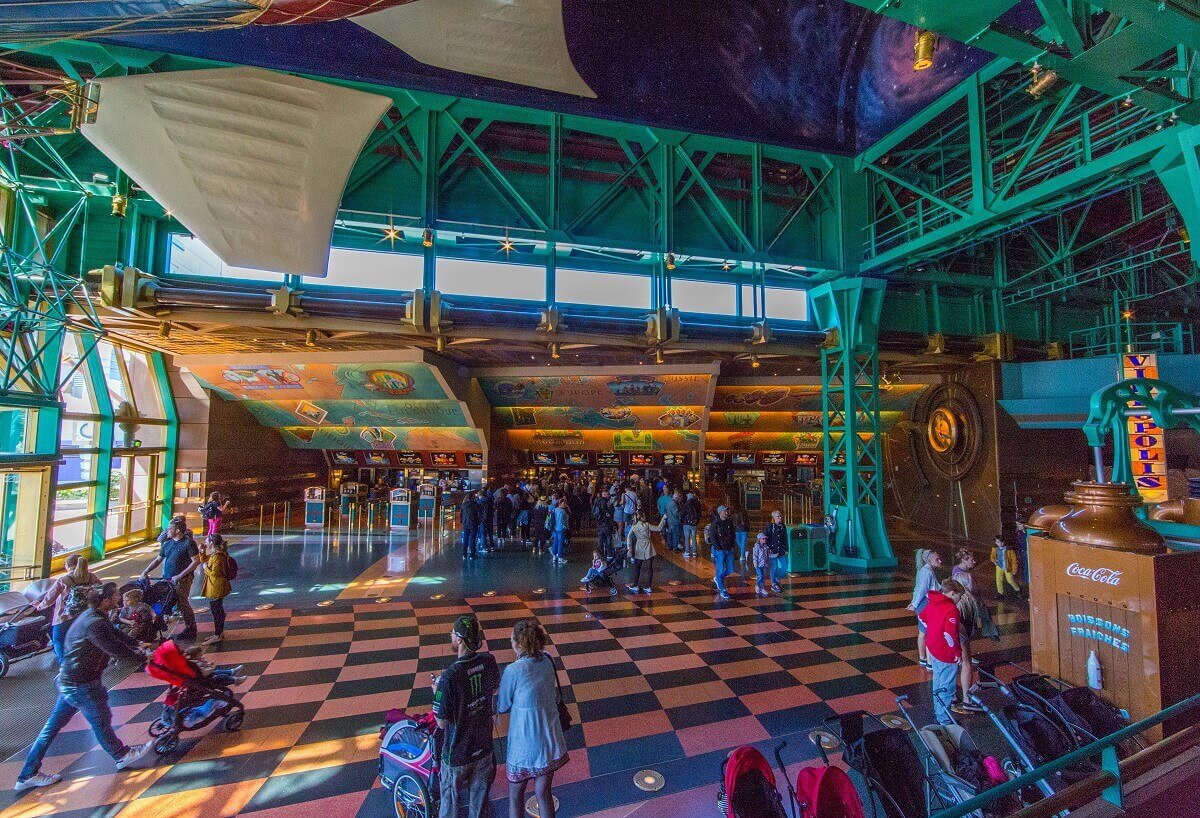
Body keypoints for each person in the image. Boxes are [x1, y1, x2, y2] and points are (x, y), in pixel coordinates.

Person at [15, 583, 153, 791]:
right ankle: (121, 754)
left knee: (51, 729)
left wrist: (137, 644)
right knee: (100, 719)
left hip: (70, 682)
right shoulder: (94, 623)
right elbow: (114, 648)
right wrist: (141, 656)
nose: (119, 597)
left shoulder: (94, 617)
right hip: (81, 684)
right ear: (105, 600)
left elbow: (115, 636)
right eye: (116, 595)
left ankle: (27, 774)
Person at [498, 618, 569, 818]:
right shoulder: (548, 659)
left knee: (515, 797)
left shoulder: (513, 670)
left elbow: (503, 705)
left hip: (523, 745)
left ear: (519, 645)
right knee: (544, 793)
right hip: (549, 741)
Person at [431, 615, 500, 818]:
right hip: (484, 748)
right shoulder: (489, 661)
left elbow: (441, 723)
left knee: (449, 807)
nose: (451, 635)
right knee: (478, 809)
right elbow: (493, 688)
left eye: (453, 632)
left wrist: (438, 692)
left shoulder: (449, 676)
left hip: (457, 753)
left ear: (459, 639)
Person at [140, 519, 202, 641]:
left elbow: (196, 561)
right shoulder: (167, 544)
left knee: (182, 602)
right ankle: (156, 624)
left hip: (182, 580)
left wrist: (180, 575)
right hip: (167, 578)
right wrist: (145, 571)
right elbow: (158, 560)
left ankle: (191, 628)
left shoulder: (189, 543)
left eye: (170, 529)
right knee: (160, 602)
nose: (167, 531)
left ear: (177, 530)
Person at [34, 554, 101, 662]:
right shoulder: (91, 577)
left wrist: (38, 606)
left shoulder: (64, 580)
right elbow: (99, 589)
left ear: (68, 565)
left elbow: (50, 599)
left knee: (58, 640)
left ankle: (64, 667)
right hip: (85, 614)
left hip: (65, 616)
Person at [918, 578, 967, 726]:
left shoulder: (932, 601)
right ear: (952, 593)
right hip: (945, 651)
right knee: (947, 686)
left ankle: (938, 712)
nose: (960, 599)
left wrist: (933, 630)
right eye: (959, 596)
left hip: (933, 647)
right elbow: (950, 634)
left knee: (938, 681)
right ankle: (944, 720)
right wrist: (957, 653)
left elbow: (922, 617)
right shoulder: (951, 609)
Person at [906, 548, 942, 669]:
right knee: (927, 632)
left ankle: (923, 658)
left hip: (923, 603)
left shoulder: (926, 570)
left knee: (923, 632)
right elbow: (923, 590)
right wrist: (914, 605)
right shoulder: (927, 572)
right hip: (925, 603)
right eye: (937, 559)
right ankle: (928, 661)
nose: (940, 561)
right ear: (929, 560)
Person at [199, 534, 233, 646]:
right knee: (217, 610)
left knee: (216, 612)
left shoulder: (218, 556)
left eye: (206, 541)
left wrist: (205, 568)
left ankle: (217, 635)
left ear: (212, 543)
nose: (205, 543)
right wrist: (202, 551)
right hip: (214, 585)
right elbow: (203, 559)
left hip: (216, 587)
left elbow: (215, 573)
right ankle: (218, 633)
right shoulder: (215, 555)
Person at [625, 511, 664, 595]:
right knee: (649, 567)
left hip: (639, 546)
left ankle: (635, 585)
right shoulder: (647, 525)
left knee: (637, 567)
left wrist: (629, 547)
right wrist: (663, 518)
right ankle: (648, 587)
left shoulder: (634, 526)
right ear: (642, 517)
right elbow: (659, 528)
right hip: (649, 546)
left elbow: (629, 537)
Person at [710, 505, 737, 600]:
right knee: (720, 568)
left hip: (729, 549)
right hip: (720, 550)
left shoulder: (729, 522)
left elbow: (733, 534)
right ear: (720, 512)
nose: (726, 512)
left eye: (727, 511)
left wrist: (733, 545)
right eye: (725, 511)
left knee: (730, 569)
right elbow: (713, 537)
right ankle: (722, 589)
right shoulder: (715, 523)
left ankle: (718, 578)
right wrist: (718, 547)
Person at [763, 509, 788, 595]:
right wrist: (767, 549)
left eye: (780, 516)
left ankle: (777, 578)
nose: (780, 518)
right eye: (778, 516)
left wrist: (786, 549)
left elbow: (785, 538)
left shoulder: (782, 526)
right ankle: (773, 583)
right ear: (773, 517)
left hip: (781, 550)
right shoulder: (769, 526)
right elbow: (766, 538)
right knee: (774, 567)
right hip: (772, 550)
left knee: (785, 567)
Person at [460, 491, 483, 560]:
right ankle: (472, 555)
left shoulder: (464, 504)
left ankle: (464, 554)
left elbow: (461, 514)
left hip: (465, 523)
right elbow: (479, 514)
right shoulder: (476, 504)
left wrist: (462, 521)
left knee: (465, 538)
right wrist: (479, 522)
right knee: (472, 539)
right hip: (474, 523)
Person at [550, 498, 570, 564]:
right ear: (560, 504)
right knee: (560, 543)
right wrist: (565, 527)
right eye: (564, 503)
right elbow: (563, 520)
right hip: (561, 528)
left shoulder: (554, 509)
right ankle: (560, 558)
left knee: (555, 542)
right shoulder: (563, 511)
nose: (565, 505)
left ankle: (554, 556)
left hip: (555, 528)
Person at [681, 491, 701, 558]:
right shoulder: (697, 504)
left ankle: (687, 552)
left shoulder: (686, 504)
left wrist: (682, 521)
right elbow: (699, 514)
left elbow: (683, 514)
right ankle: (695, 552)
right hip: (694, 523)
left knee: (687, 537)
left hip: (687, 523)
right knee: (694, 537)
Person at [752, 532, 770, 597]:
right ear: (759, 539)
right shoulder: (756, 546)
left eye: (765, 538)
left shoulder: (765, 546)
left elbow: (766, 555)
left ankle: (762, 588)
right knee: (760, 575)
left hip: (764, 564)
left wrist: (766, 563)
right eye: (763, 539)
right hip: (758, 564)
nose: (764, 540)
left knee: (764, 576)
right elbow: (755, 555)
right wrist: (755, 563)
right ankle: (757, 585)